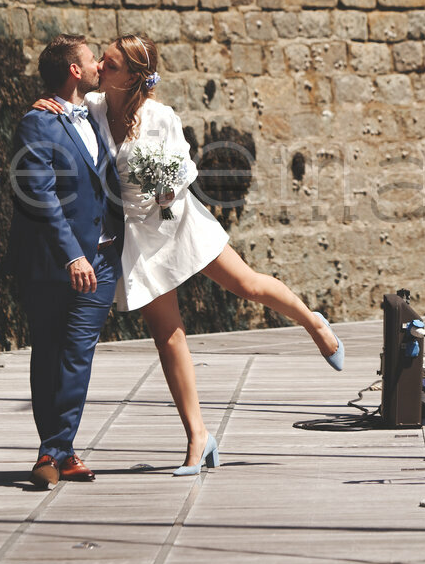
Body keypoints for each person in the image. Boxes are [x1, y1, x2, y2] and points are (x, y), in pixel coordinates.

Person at [34, 33, 343, 476]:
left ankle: (313, 321)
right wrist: (44, 102)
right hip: (139, 239)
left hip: (178, 221)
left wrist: (165, 190)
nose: (101, 67)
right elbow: (65, 111)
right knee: (168, 335)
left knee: (246, 284)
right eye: (100, 60)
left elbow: (181, 169)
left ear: (133, 76)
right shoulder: (95, 109)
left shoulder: (161, 117)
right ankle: (199, 437)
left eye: (111, 64)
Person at [5, 34, 125, 489]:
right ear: (75, 70)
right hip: (53, 261)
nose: (99, 65)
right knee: (49, 353)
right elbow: (39, 195)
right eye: (93, 59)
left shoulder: (96, 113)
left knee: (77, 354)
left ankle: (51, 452)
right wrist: (72, 253)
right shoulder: (37, 123)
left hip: (104, 257)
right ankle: (62, 451)